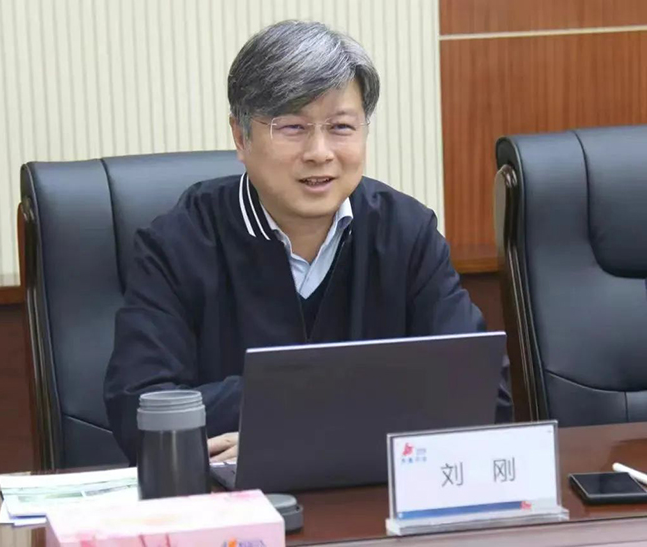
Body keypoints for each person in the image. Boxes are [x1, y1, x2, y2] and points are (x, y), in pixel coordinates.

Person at [104, 20, 512, 465]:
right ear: (241, 137)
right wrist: (365, 398)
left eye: (341, 126)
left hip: (372, 496)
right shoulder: (178, 243)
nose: (320, 152)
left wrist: (293, 427)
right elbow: (141, 408)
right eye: (293, 127)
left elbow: (483, 394)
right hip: (236, 501)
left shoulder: (407, 232)